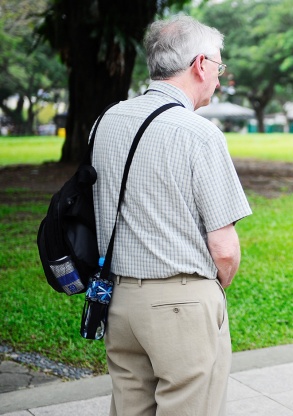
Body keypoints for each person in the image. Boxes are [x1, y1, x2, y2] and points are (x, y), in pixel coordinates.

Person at [91, 15, 251, 416]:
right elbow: (225, 250)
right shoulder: (199, 133)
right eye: (218, 66)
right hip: (181, 302)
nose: (218, 77)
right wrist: (208, 293)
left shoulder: (105, 121)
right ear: (200, 65)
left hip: (118, 300)